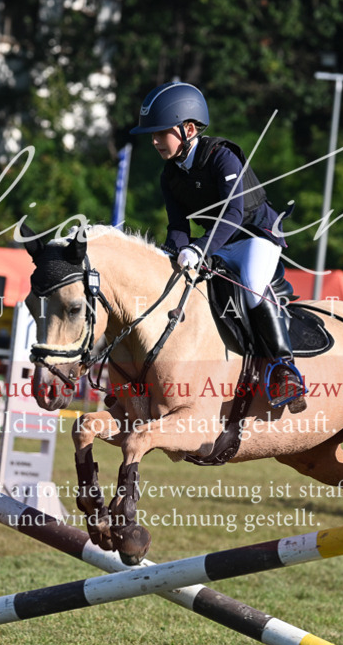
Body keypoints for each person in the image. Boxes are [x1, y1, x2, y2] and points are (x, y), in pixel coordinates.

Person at [130, 81, 306, 412]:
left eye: (160, 133)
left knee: (253, 287)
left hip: (257, 236)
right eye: (151, 135)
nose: (154, 140)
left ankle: (285, 370)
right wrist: (168, 259)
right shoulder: (170, 176)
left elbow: (234, 212)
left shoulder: (221, 157)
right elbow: (178, 226)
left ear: (189, 128)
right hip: (220, 244)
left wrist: (198, 249)